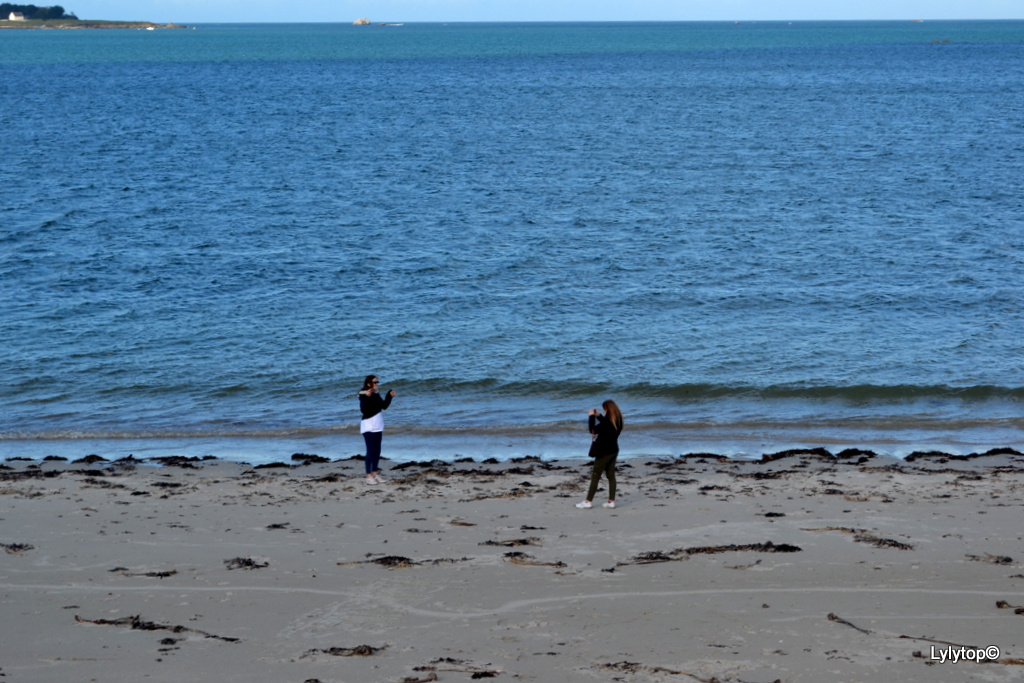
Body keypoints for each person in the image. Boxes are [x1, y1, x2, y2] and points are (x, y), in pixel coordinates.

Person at [576, 400, 623, 509]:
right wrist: (599, 415)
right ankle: (611, 501)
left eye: (604, 409)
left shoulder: (608, 422)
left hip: (604, 453)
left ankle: (587, 502)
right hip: (614, 450)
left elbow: (592, 430)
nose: (603, 411)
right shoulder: (618, 420)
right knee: (611, 475)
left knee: (596, 476)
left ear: (607, 409)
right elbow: (607, 423)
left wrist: (591, 416)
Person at [358, 375, 395, 485]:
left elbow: (384, 406)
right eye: (375, 382)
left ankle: (375, 473)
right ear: (369, 383)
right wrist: (367, 397)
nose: (377, 383)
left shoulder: (376, 393)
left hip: (378, 425)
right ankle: (368, 475)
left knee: (377, 450)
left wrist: (389, 395)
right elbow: (363, 409)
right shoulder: (363, 393)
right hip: (368, 425)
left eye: (377, 382)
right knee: (370, 450)